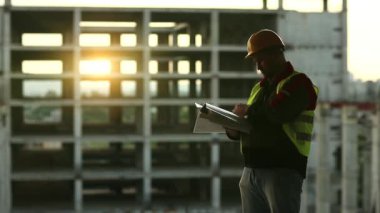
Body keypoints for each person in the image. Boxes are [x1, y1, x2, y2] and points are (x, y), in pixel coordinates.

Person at [225, 29, 318, 213]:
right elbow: (254, 122)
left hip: (282, 170)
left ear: (277, 54)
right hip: (251, 171)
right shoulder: (258, 89)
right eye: (255, 61)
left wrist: (249, 111)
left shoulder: (299, 83)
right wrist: (233, 128)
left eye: (261, 59)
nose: (258, 66)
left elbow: (277, 114)